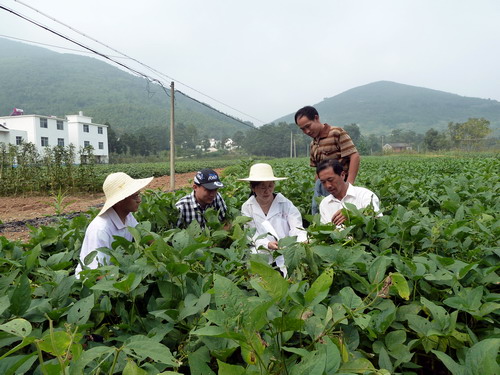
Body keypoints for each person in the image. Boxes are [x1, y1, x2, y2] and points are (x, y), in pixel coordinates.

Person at [75, 172, 153, 278]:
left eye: (138, 195)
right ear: (119, 201)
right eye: (135, 197)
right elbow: (95, 274)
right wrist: (129, 277)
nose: (139, 200)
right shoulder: (101, 229)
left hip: (114, 273)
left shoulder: (127, 216)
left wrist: (166, 253)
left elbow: (145, 236)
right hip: (92, 283)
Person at [239, 163, 307, 276]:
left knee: (292, 275)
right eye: (262, 187)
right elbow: (250, 234)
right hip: (261, 251)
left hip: (286, 250)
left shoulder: (285, 203)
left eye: (270, 186)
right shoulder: (247, 207)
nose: (267, 191)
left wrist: (301, 240)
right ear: (253, 187)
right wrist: (267, 244)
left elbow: (297, 227)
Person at [294, 105, 361, 215]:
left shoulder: (336, 133)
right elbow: (317, 168)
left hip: (338, 183)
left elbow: (354, 156)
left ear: (316, 118)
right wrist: (317, 185)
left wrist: (349, 185)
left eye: (308, 126)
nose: (307, 131)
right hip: (321, 184)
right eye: (303, 129)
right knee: (318, 212)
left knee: (338, 214)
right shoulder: (313, 143)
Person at [316, 159, 381, 226]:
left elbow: (378, 220)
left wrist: (353, 215)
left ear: (342, 175)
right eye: (323, 182)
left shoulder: (365, 195)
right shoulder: (325, 203)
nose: (328, 185)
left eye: (331, 180)